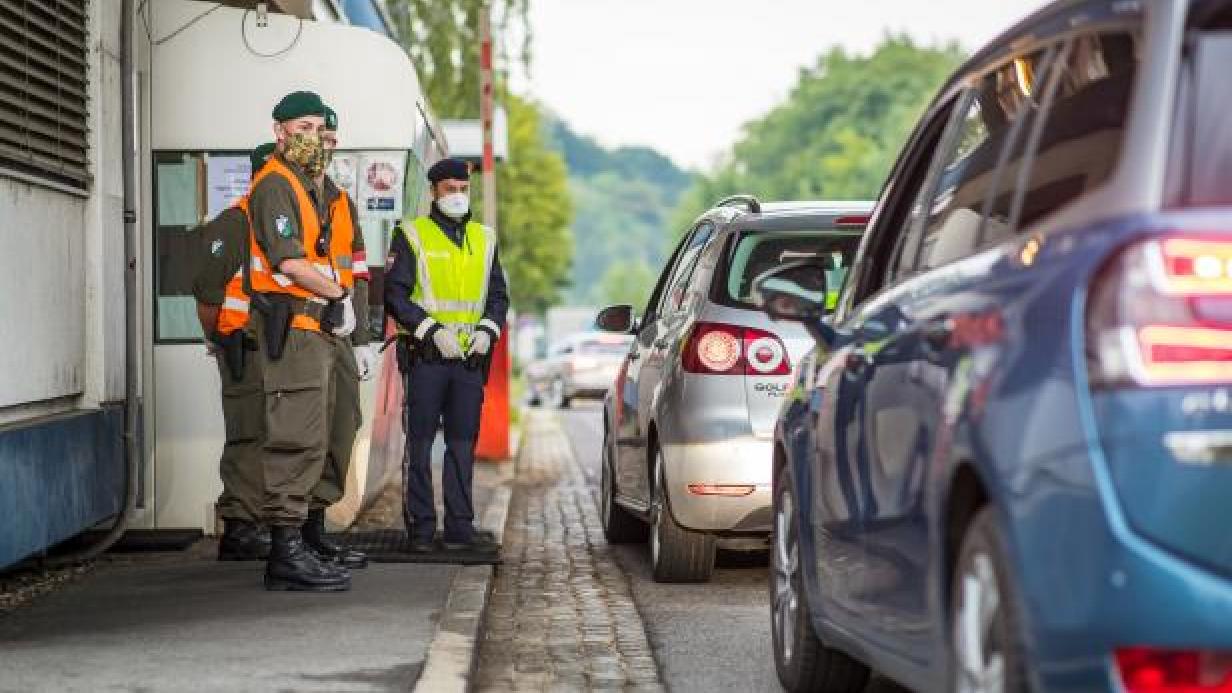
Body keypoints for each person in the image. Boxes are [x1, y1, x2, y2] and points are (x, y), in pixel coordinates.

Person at [247, 90, 356, 592]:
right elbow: (288, 261)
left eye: (319, 127)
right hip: (295, 325)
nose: (313, 136)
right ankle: (286, 553)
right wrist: (337, 295)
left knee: (323, 433)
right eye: (304, 127)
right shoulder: (275, 184)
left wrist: (340, 304)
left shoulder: (310, 186)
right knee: (295, 436)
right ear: (281, 131)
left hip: (320, 325)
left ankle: (304, 538)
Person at [384, 157, 509, 555]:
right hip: (426, 358)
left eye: (463, 189)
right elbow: (395, 295)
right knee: (419, 445)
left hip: (469, 360)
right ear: (434, 191)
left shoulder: (485, 239)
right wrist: (431, 331)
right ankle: (421, 529)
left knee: (461, 444)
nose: (457, 195)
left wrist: (489, 331)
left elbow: (498, 296)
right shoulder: (411, 234)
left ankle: (460, 527)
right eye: (449, 189)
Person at [191, 143, 276, 561]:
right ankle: (241, 527)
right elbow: (207, 291)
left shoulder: (276, 226)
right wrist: (218, 338)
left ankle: (260, 519)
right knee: (248, 434)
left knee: (273, 434)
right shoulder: (234, 223)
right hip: (241, 345)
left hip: (274, 347)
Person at [295, 105, 372, 570]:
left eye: (329, 138)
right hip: (304, 326)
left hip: (339, 329)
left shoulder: (341, 200)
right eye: (314, 136)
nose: (323, 146)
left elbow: (358, 273)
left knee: (344, 423)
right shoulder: (290, 194)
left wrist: (361, 335)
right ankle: (295, 535)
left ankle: (316, 525)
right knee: (306, 431)